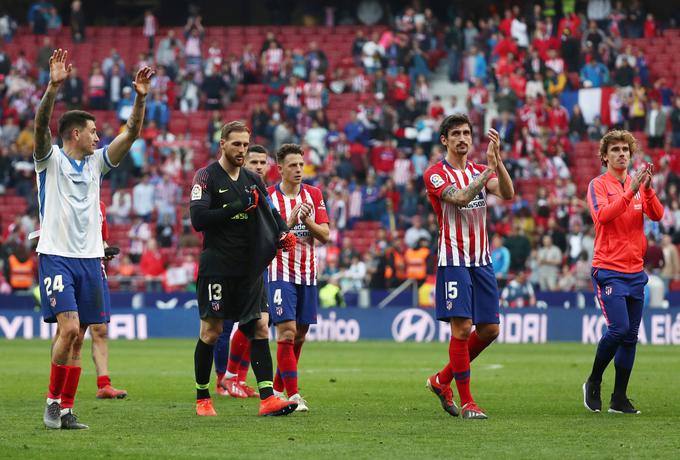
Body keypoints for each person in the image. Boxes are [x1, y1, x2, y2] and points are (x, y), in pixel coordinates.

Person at [36, 49, 153, 430]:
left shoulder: (96, 163)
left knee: (79, 338)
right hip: (56, 255)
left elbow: (132, 132)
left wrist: (140, 97)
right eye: (92, 131)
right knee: (67, 329)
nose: (97, 136)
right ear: (76, 133)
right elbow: (40, 127)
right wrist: (53, 88)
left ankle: (67, 410)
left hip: (91, 259)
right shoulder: (49, 159)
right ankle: (52, 404)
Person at [190, 121, 297, 417]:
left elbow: (270, 211)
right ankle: (202, 397)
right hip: (217, 267)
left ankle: (267, 399)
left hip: (248, 268)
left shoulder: (252, 178)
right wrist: (237, 206)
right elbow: (198, 219)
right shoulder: (206, 177)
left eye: (245, 145)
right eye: (236, 144)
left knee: (259, 327)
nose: (241, 150)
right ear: (222, 144)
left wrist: (282, 233)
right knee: (212, 331)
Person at [423, 114, 514, 419]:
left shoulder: (478, 170)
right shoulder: (435, 174)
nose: (463, 138)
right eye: (456, 134)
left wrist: (497, 162)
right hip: (454, 260)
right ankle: (468, 402)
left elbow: (508, 192)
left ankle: (441, 379)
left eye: (467, 133)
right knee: (461, 329)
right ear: (444, 140)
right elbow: (460, 198)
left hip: (482, 260)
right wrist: (488, 168)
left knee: (489, 330)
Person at [583, 130, 663, 415]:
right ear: (605, 156)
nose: (621, 154)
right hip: (608, 270)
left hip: (635, 271)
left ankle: (619, 398)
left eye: (625, 150)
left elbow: (657, 215)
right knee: (619, 329)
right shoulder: (598, 185)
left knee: (630, 337)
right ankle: (593, 380)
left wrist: (648, 189)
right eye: (615, 149)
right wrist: (632, 192)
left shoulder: (638, 185)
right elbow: (603, 216)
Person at [267, 143, 330, 412]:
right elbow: (265, 238)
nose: (298, 170)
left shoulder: (314, 194)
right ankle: (294, 395)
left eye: (300, 165)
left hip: (307, 273)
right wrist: (289, 223)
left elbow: (325, 235)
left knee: (300, 334)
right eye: (292, 165)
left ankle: (278, 388)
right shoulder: (269, 197)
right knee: (287, 331)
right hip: (279, 271)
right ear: (279, 168)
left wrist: (308, 222)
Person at [213, 144, 271, 399]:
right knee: (223, 327)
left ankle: (237, 378)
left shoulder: (265, 193)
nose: (258, 166)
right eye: (253, 162)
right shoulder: (226, 189)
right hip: (227, 267)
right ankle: (220, 380)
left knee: (253, 324)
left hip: (255, 268)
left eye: (262, 162)